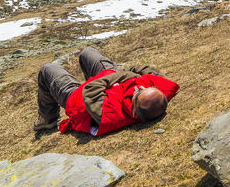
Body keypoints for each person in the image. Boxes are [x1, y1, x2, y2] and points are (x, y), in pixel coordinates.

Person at [35, 46, 178, 136]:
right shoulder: (156, 98)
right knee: (87, 52)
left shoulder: (109, 114)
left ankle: (47, 119)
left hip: (78, 98)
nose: (140, 87)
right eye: (146, 88)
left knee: (47, 69)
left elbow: (91, 89)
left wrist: (125, 75)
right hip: (110, 80)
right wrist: (128, 76)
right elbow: (149, 72)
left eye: (138, 93)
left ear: (134, 111)